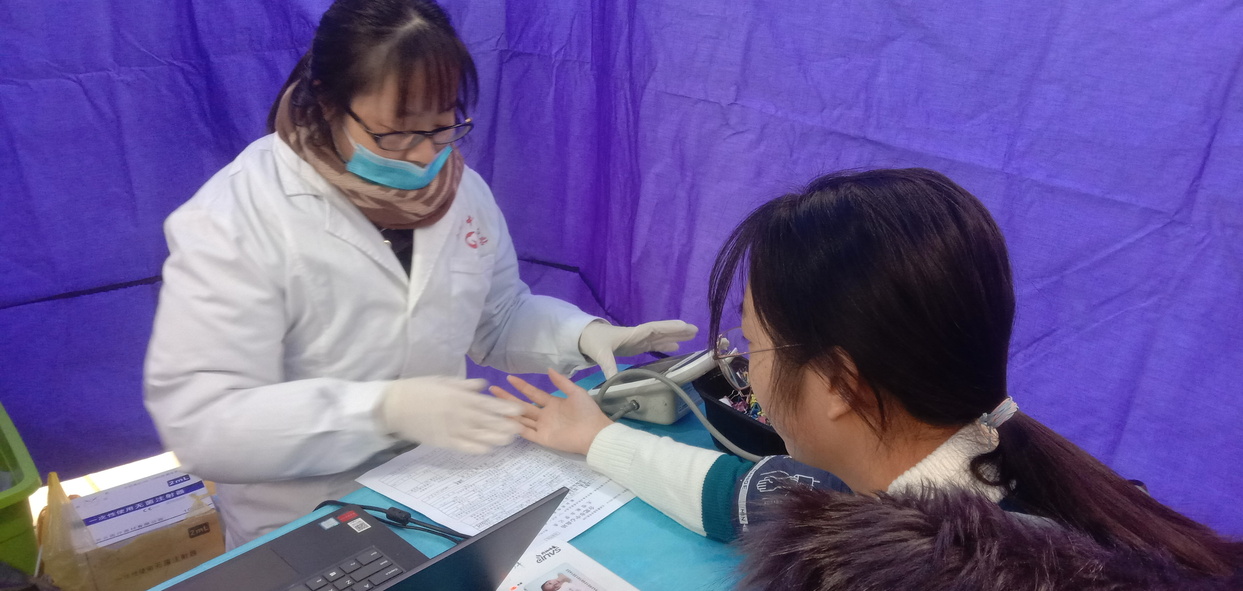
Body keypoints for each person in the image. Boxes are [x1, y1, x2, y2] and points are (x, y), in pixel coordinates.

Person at [492, 169, 1243, 589]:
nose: (742, 368)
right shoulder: (993, 469)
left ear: (840, 386)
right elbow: (748, 492)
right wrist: (597, 437)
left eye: (751, 344)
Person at [143, 0, 696, 548]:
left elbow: (499, 318)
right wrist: (384, 410)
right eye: (397, 134)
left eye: (442, 127)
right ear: (328, 101)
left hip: (433, 493)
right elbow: (202, 422)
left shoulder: (458, 191)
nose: (423, 156)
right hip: (303, 516)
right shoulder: (237, 217)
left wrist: (582, 334)